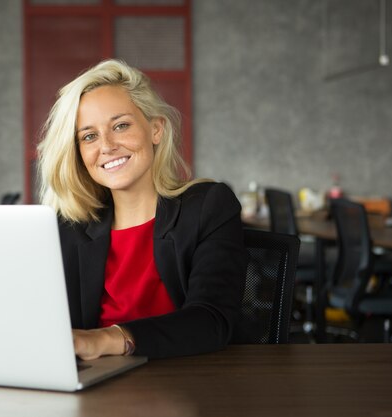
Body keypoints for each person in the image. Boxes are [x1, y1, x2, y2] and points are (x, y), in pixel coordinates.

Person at [37, 59, 247, 360]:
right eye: (89, 136)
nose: (107, 146)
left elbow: (212, 320)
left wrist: (104, 339)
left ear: (156, 130)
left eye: (120, 125)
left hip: (190, 386)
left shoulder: (208, 206)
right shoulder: (68, 226)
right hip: (97, 393)